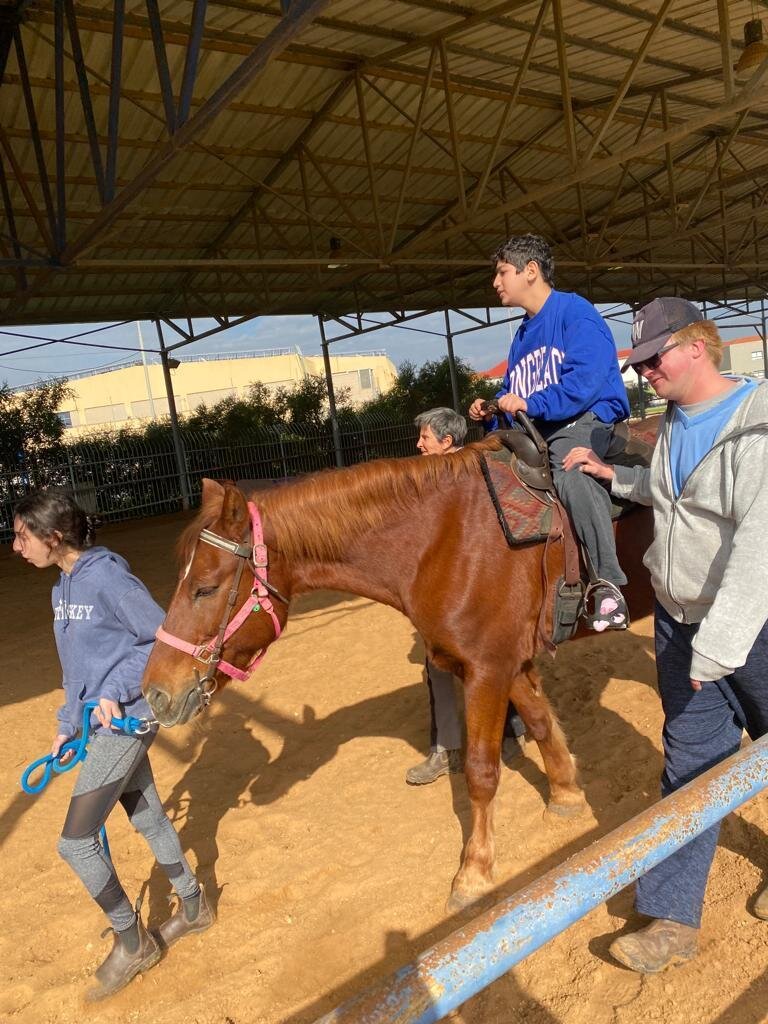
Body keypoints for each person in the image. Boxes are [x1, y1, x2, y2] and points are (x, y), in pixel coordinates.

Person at [564, 296, 768, 973]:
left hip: (752, 627)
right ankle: (672, 920)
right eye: (639, 360)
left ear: (697, 347)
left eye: (653, 357)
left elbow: (757, 551)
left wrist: (719, 646)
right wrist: (615, 477)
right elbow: (674, 494)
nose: (643, 370)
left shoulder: (756, 427)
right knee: (689, 767)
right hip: (685, 627)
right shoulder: (678, 420)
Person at [13, 491, 214, 1001]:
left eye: (22, 535)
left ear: (53, 538)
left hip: (127, 721)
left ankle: (132, 940)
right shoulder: (62, 589)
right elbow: (74, 669)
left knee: (76, 842)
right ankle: (194, 907)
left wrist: (112, 692)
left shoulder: (106, 578)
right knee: (147, 817)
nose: (16, 546)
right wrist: (66, 722)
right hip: (97, 726)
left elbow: (158, 637)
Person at [469, 234, 631, 631]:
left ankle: (609, 584)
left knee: (571, 469)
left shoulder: (576, 313)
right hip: (542, 426)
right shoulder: (524, 334)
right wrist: (490, 410)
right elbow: (515, 391)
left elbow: (586, 383)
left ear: (530, 271)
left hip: (585, 419)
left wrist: (532, 404)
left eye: (502, 272)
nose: (496, 281)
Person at [407, 408, 526, 785]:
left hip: (480, 590)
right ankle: (447, 749)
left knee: (497, 658)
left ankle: (512, 729)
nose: (418, 444)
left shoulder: (475, 475)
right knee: (437, 666)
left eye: (425, 438)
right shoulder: (422, 481)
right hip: (441, 596)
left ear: (446, 442)